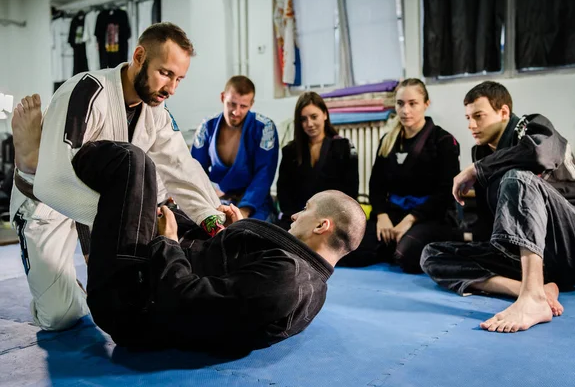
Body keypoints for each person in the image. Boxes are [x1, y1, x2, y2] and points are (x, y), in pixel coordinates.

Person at [13, 110, 367, 349]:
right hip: (179, 263)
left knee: (131, 164)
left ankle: (35, 170)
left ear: (323, 225)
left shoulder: (286, 282)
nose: (293, 215)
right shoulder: (306, 275)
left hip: (133, 303)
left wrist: (167, 242)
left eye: (305, 211)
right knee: (161, 196)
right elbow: (238, 282)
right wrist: (236, 234)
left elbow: (185, 300)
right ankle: (96, 234)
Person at [10, 22, 225, 332]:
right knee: (57, 317)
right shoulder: (87, 91)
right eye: (165, 73)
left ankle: (78, 283)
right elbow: (54, 181)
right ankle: (28, 161)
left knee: (152, 182)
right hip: (47, 197)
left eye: (179, 79)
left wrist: (210, 215)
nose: (171, 88)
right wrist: (113, 225)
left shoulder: (157, 110)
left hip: (100, 201)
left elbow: (182, 166)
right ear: (138, 56)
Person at [421, 81, 575, 333]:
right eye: (468, 118)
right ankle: (530, 288)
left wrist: (476, 169)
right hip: (535, 259)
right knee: (431, 254)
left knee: (517, 176)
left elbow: (540, 154)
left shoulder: (532, 126)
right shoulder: (481, 152)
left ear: (503, 112)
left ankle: (532, 298)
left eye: (479, 116)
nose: (471, 125)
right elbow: (489, 222)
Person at [340, 78, 460, 272]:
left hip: (429, 218)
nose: (405, 110)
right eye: (400, 103)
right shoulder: (388, 140)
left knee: (407, 256)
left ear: (426, 105)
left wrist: (410, 220)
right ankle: (390, 245)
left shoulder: (443, 141)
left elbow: (445, 193)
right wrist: (382, 216)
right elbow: (376, 186)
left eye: (413, 104)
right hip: (393, 215)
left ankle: (396, 246)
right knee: (350, 250)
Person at [191, 76, 279, 221]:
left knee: (250, 236)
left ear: (251, 104)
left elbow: (264, 174)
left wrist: (244, 211)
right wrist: (208, 196)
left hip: (254, 203)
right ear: (222, 97)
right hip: (217, 200)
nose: (236, 112)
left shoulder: (265, 128)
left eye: (243, 106)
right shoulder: (207, 126)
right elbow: (195, 168)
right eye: (232, 104)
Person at [276, 92, 359, 230]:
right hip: (298, 218)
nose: (309, 124)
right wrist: (299, 219)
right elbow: (283, 192)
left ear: (325, 115)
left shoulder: (344, 147)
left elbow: (350, 191)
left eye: (314, 117)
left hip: (332, 221)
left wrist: (329, 221)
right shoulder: (290, 151)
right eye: (303, 119)